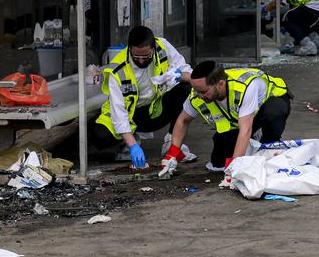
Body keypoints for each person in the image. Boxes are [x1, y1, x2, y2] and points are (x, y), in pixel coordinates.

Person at [90, 26, 195, 169]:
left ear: (153, 48)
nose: (140, 61)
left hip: (154, 109)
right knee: (100, 136)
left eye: (145, 56)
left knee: (186, 88)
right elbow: (119, 113)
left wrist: (182, 76)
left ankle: (173, 142)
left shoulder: (162, 46)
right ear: (129, 49)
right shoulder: (117, 69)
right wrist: (132, 145)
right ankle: (128, 142)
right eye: (136, 56)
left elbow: (186, 69)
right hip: (131, 115)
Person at [164, 61, 291, 174]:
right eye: (196, 90)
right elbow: (182, 120)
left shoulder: (244, 87)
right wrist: (172, 155)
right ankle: (252, 140)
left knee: (274, 113)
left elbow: (245, 130)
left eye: (203, 92)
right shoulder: (198, 93)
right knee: (219, 162)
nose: (199, 95)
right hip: (240, 118)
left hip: (269, 104)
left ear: (220, 84)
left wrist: (234, 168)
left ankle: (268, 145)